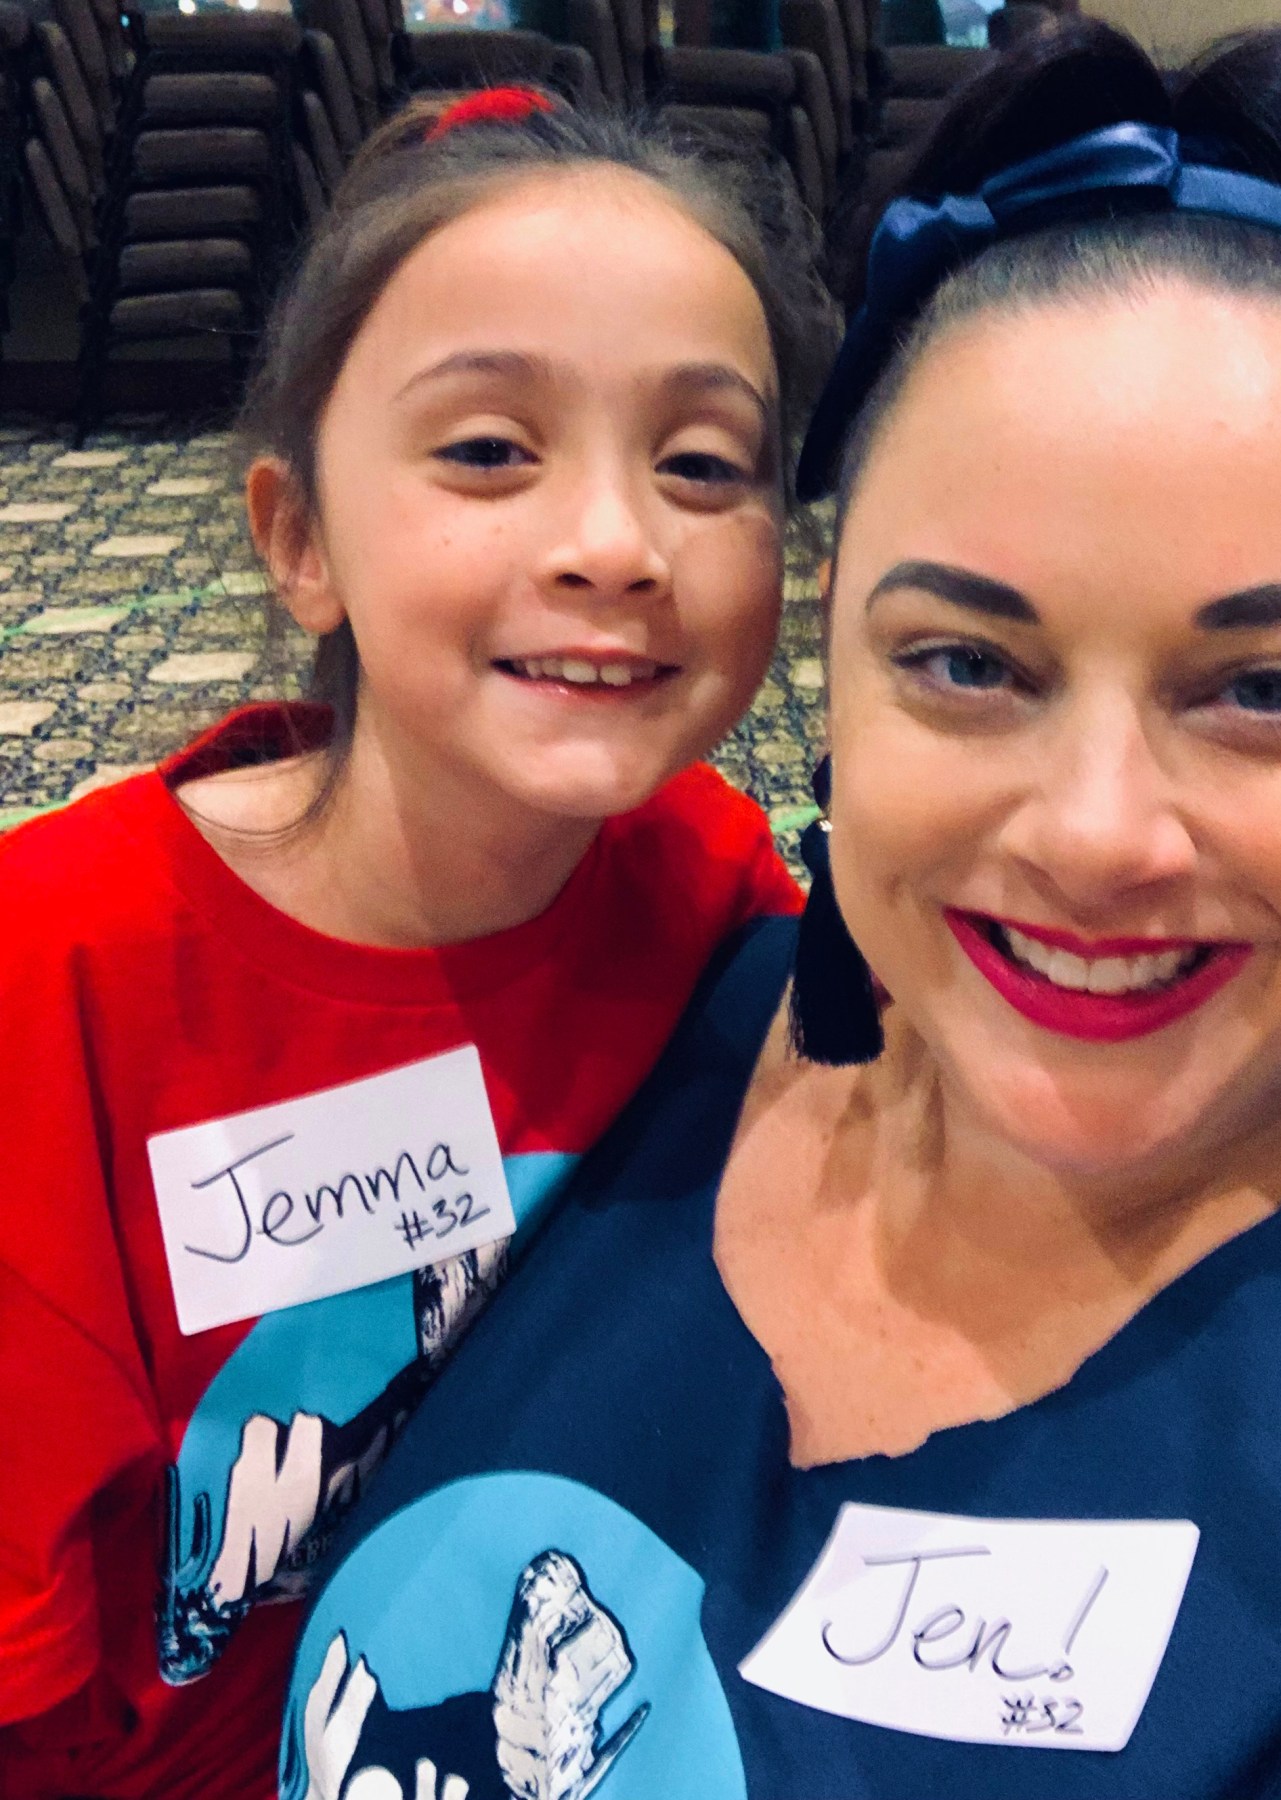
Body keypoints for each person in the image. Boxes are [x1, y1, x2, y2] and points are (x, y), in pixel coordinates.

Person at [281, 20, 1281, 1800]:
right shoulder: (616, 1017)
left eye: (1269, 689)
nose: (1100, 838)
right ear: (832, 657)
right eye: (968, 662)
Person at [0, 87, 837, 1800]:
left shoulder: (707, 884)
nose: (616, 546)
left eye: (702, 464)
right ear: (300, 538)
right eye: (487, 451)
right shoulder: (56, 978)